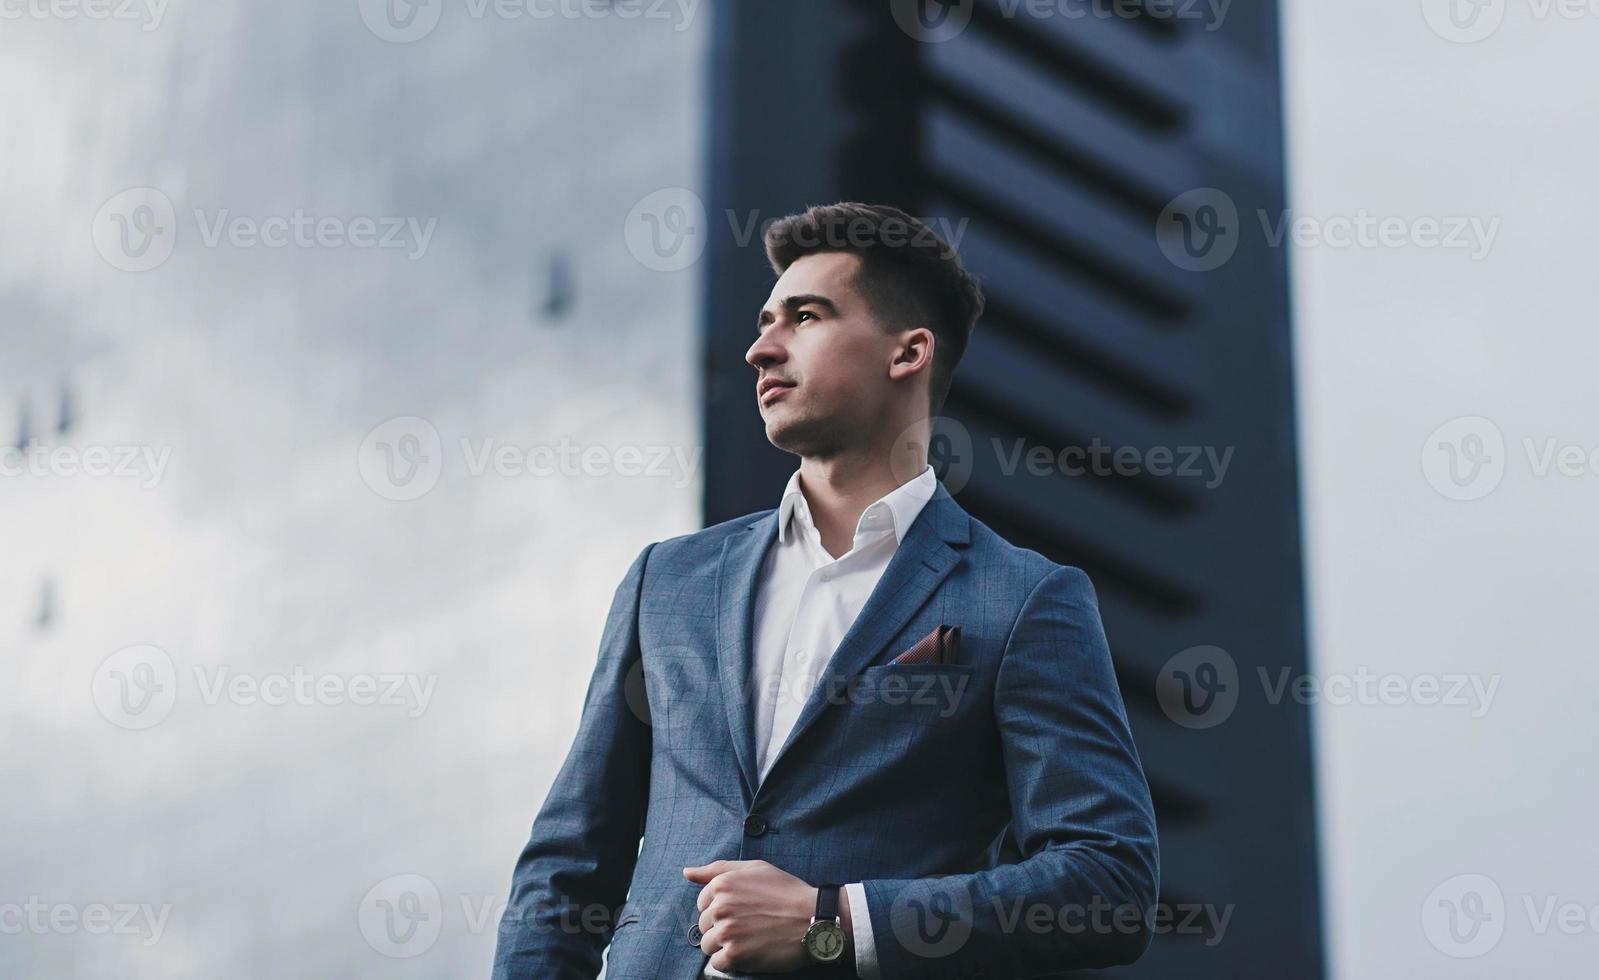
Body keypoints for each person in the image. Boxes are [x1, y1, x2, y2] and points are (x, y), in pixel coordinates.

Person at [492, 203, 1158, 979]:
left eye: (804, 317)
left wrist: (833, 922)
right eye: (764, 320)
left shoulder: (1022, 598)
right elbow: (567, 866)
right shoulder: (666, 580)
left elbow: (1106, 883)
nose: (759, 349)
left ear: (906, 353)